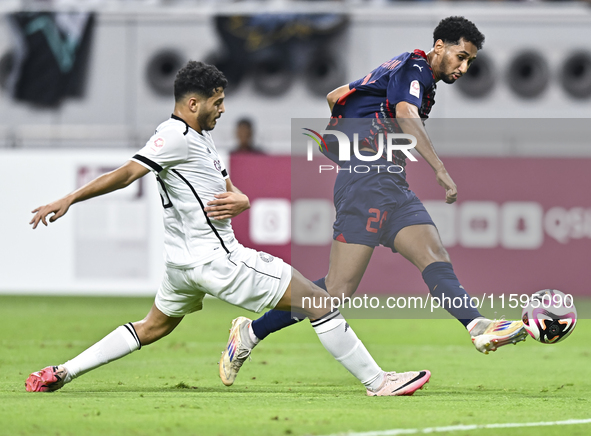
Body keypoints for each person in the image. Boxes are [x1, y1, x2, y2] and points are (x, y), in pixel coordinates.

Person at [24, 61, 430, 397]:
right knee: (319, 301)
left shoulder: (201, 139)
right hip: (218, 260)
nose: (222, 110)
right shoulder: (173, 135)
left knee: (151, 327)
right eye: (217, 103)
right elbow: (129, 173)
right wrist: (69, 199)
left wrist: (244, 200)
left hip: (181, 266)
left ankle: (62, 372)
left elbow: (228, 191)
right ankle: (378, 382)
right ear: (193, 102)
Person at [220, 16, 527, 386]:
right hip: (365, 185)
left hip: (390, 183)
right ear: (440, 46)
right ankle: (250, 333)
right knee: (334, 293)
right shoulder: (416, 69)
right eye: (460, 57)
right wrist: (439, 169)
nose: (463, 67)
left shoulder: (399, 67)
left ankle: (477, 325)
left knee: (433, 255)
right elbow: (404, 113)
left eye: (470, 62)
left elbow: (335, 96)